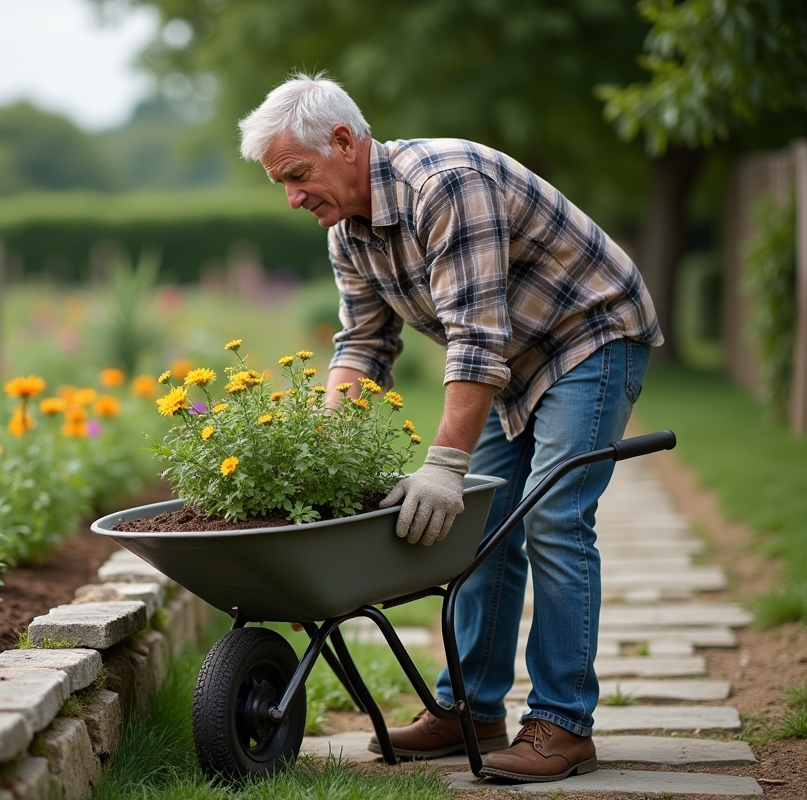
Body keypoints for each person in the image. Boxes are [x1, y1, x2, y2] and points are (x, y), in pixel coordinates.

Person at [237, 73, 663, 783]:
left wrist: (442, 464)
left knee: (554, 518)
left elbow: (475, 342)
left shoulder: (446, 184)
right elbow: (363, 348)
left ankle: (562, 723)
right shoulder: (349, 230)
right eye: (281, 182)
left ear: (345, 141)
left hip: (588, 334)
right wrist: (320, 447)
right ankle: (469, 709)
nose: (293, 196)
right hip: (515, 358)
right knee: (480, 529)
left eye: (299, 174)